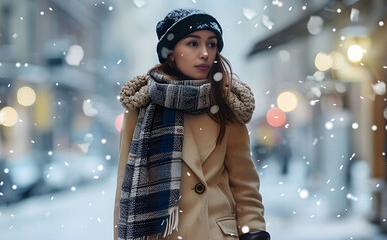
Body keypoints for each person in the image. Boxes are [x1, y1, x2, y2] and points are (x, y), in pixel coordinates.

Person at [114, 8, 270, 240]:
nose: (205, 53)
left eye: (211, 44)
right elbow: (124, 187)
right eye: (193, 44)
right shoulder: (142, 106)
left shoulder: (227, 105)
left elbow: (244, 183)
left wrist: (253, 230)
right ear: (171, 53)